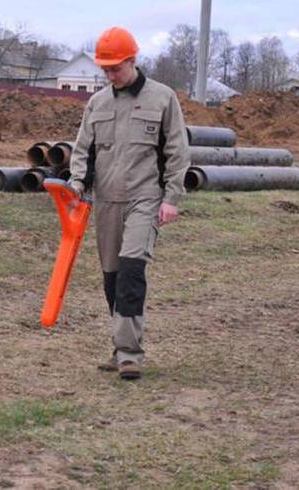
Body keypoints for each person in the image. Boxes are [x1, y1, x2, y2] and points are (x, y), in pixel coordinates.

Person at [68, 26, 190, 380]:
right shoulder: (97, 103)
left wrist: (172, 197)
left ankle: (129, 355)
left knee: (131, 272)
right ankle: (120, 345)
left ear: (133, 60)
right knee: (112, 278)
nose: (110, 76)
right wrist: (76, 185)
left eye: (115, 69)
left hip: (144, 199)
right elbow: (82, 151)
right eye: (105, 70)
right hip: (106, 201)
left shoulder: (162, 98)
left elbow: (177, 151)